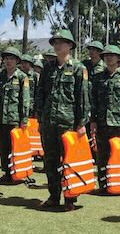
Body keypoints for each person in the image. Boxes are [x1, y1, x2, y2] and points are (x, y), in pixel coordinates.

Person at [37, 29, 90, 211]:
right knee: (50, 161)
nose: (58, 45)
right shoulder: (48, 68)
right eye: (55, 42)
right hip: (49, 122)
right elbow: (40, 94)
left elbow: (82, 97)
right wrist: (40, 119)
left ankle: (70, 198)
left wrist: (82, 123)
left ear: (70, 46)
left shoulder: (78, 68)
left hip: (68, 123)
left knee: (69, 161)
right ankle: (53, 196)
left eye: (62, 42)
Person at [90, 45, 120, 192]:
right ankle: (104, 185)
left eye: (112, 55)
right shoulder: (98, 78)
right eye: (106, 56)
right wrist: (93, 121)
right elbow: (93, 101)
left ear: (119, 58)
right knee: (102, 156)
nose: (109, 58)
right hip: (102, 123)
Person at [0, 47, 32, 184]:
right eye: (6, 59)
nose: (8, 61)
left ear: (17, 61)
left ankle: (16, 173)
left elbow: (25, 100)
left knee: (14, 147)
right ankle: (7, 173)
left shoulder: (22, 77)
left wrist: (24, 119)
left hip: (15, 119)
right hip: (1, 118)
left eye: (11, 59)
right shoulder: (0, 76)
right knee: (3, 147)